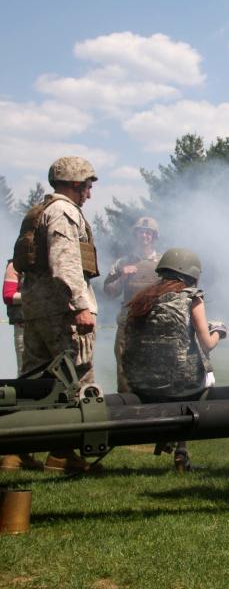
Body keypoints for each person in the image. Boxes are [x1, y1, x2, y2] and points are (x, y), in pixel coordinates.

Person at [14, 156, 100, 473]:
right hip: (61, 311)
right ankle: (63, 453)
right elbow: (65, 263)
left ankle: (16, 451)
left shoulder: (39, 213)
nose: (89, 193)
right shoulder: (64, 212)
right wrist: (80, 305)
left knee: (33, 383)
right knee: (75, 378)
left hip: (36, 308)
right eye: (88, 186)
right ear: (76, 184)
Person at [122, 248, 226, 472]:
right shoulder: (192, 297)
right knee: (204, 377)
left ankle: (176, 446)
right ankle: (180, 449)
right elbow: (207, 343)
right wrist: (220, 330)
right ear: (192, 275)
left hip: (141, 384)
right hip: (183, 386)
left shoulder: (143, 299)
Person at [103, 216, 162, 394]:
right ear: (134, 235)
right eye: (140, 232)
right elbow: (109, 292)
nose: (144, 235)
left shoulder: (163, 262)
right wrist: (122, 276)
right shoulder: (122, 262)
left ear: (154, 236)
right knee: (124, 369)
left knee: (156, 368)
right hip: (128, 322)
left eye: (148, 232)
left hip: (156, 322)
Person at [0, 260, 43, 471]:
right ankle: (16, 451)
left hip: (43, 328)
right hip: (25, 328)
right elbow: (8, 295)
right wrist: (38, 297)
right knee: (26, 384)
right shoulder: (15, 265)